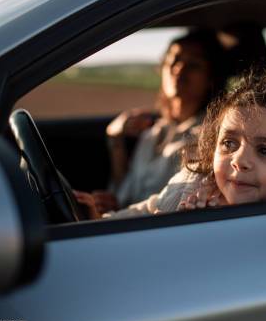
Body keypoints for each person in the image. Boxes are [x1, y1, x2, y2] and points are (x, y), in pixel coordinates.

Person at [77, 75, 266, 218]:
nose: (239, 160)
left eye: (265, 150)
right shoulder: (191, 182)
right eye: (229, 143)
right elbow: (142, 213)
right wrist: (97, 220)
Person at [84, 29, 231, 213]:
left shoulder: (209, 138)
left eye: (193, 64)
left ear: (212, 77)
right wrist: (115, 139)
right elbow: (126, 197)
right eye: (173, 59)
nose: (179, 69)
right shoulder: (152, 132)